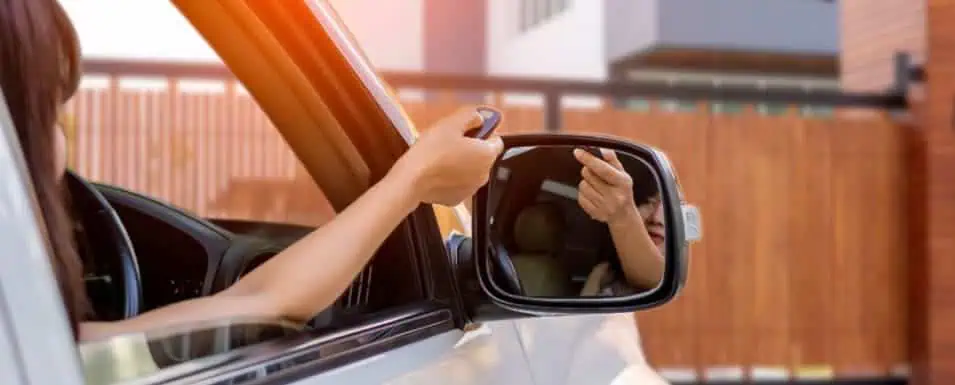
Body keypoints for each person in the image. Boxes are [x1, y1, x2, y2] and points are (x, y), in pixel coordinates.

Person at [0, 0, 503, 342]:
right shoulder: (45, 356)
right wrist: (413, 179)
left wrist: (414, 177)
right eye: (49, 113)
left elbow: (265, 299)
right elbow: (266, 302)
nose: (62, 142)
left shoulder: (37, 348)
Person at [572, 148, 665, 296]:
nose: (656, 218)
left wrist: (621, 215)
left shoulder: (683, 279)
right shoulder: (603, 272)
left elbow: (655, 282)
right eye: (649, 202)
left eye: (669, 207)